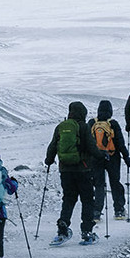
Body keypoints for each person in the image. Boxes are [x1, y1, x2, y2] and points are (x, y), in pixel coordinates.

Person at [44, 100, 100, 246]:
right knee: (87, 200)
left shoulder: (61, 127)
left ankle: (63, 228)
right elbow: (92, 147)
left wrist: (49, 160)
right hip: (83, 169)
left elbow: (53, 146)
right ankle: (87, 231)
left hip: (65, 170)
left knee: (68, 199)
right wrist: (102, 156)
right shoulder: (84, 127)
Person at [88, 100, 130, 222]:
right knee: (115, 182)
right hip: (112, 157)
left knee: (98, 184)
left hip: (96, 157)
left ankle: (96, 212)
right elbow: (120, 142)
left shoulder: (92, 123)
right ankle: (119, 210)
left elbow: (87, 142)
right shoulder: (113, 124)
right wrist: (126, 157)